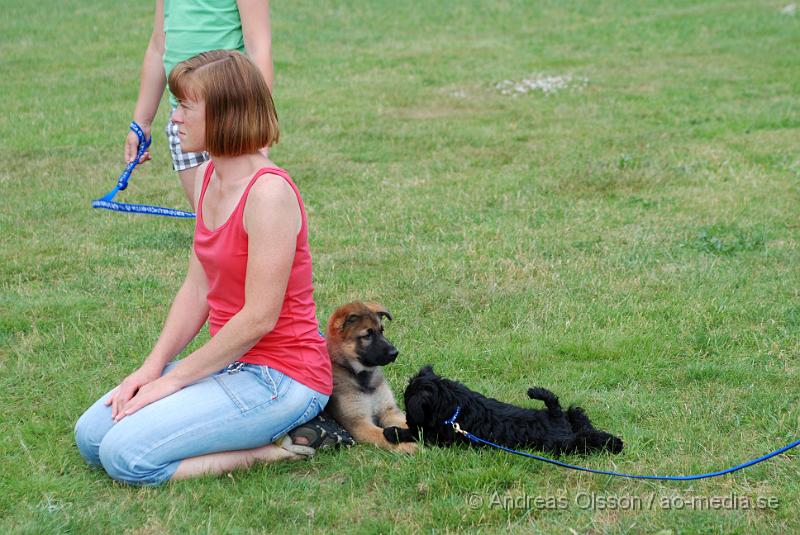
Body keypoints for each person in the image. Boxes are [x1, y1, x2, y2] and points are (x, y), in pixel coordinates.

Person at [75, 50, 332, 485]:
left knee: (126, 457)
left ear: (226, 114)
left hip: (283, 378)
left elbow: (259, 317)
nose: (173, 118)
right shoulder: (210, 176)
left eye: (185, 106)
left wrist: (174, 383)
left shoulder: (268, 194)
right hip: (228, 364)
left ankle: (270, 453)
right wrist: (152, 368)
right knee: (92, 436)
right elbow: (197, 289)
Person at [125, 0, 273, 208]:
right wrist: (142, 122)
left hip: (229, 115)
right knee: (207, 216)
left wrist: (256, 120)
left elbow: (259, 46)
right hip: (185, 118)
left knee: (240, 213)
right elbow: (158, 47)